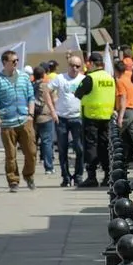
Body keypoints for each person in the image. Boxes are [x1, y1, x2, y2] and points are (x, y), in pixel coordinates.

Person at [0, 49, 37, 192]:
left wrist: (31, 115)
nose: (16, 63)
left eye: (17, 60)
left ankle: (28, 175)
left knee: (31, 152)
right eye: (13, 61)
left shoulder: (24, 77)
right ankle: (13, 181)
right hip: (7, 122)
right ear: (5, 62)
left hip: (24, 119)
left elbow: (31, 97)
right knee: (10, 154)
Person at [74, 51, 115, 187]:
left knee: (91, 147)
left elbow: (78, 94)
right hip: (106, 116)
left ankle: (92, 177)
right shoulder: (110, 78)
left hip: (91, 117)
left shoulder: (90, 78)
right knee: (105, 147)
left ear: (91, 63)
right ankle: (107, 176)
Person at [53, 54, 87, 187]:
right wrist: (52, 110)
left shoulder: (84, 79)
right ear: (68, 66)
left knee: (79, 149)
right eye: (72, 65)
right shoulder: (60, 78)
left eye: (77, 66)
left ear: (81, 67)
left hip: (77, 118)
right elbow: (47, 91)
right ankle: (65, 177)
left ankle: (78, 176)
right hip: (62, 118)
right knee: (62, 150)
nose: (74, 68)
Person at [114, 56, 133, 185]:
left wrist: (120, 117)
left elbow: (123, 98)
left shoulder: (120, 81)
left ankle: (119, 165)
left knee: (116, 138)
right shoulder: (129, 77)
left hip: (126, 112)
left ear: (116, 70)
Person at [32, 65, 59, 174]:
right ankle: (49, 167)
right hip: (46, 116)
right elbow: (54, 99)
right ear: (44, 75)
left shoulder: (31, 86)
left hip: (33, 117)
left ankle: (31, 166)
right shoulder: (47, 86)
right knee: (47, 142)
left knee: (32, 142)